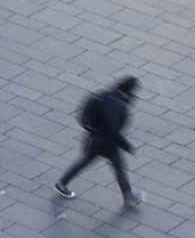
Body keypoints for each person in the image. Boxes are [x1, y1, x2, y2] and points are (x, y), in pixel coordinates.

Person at [53, 76, 143, 206]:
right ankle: (128, 196)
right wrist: (127, 146)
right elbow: (112, 129)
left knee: (93, 162)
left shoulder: (108, 94)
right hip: (106, 142)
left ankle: (62, 183)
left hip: (96, 138)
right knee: (117, 167)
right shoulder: (117, 105)